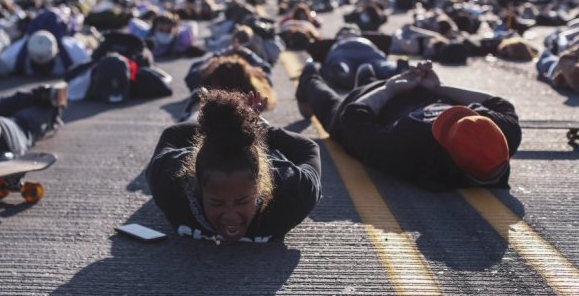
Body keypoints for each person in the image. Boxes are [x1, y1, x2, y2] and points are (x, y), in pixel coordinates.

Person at [296, 60, 521, 191]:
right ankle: (368, 76)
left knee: (334, 118)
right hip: (416, 89)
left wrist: (390, 90)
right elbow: (497, 102)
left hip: (373, 100)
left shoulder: (409, 151)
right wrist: (438, 88)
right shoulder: (503, 133)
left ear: (448, 154)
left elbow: (353, 115)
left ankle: (309, 79)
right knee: (372, 77)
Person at [147, 89, 321, 243]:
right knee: (195, 118)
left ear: (260, 186)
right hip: (203, 148)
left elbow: (309, 148)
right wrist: (214, 127)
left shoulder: (293, 195)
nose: (230, 217)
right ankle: (197, 105)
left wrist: (260, 128)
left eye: (242, 201)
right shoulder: (169, 184)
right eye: (216, 203)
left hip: (266, 149)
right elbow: (172, 134)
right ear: (196, 185)